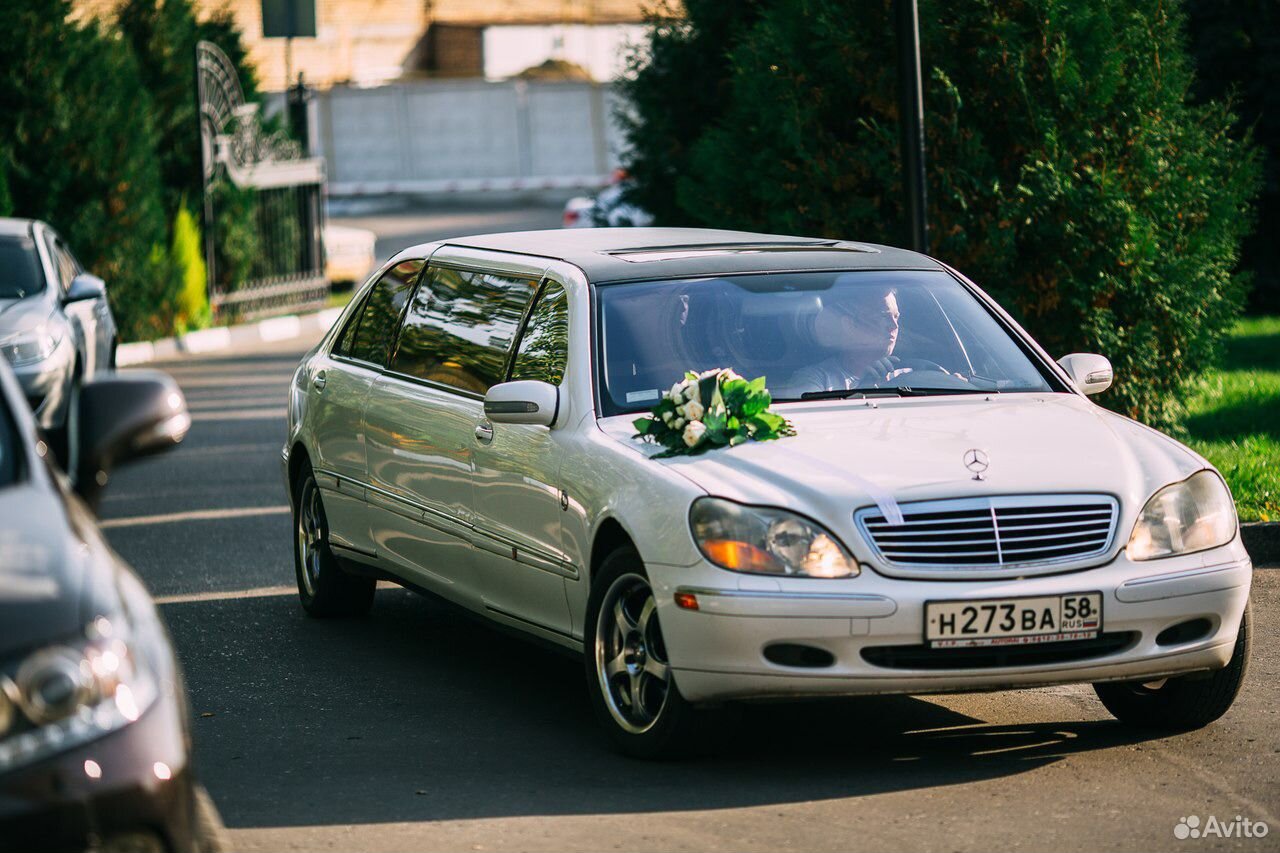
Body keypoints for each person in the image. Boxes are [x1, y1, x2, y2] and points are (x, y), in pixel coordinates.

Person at [784, 284, 908, 394]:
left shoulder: (912, 374)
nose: (894, 325)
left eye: (896, 317)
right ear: (850, 325)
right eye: (883, 316)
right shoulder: (815, 380)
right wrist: (864, 391)